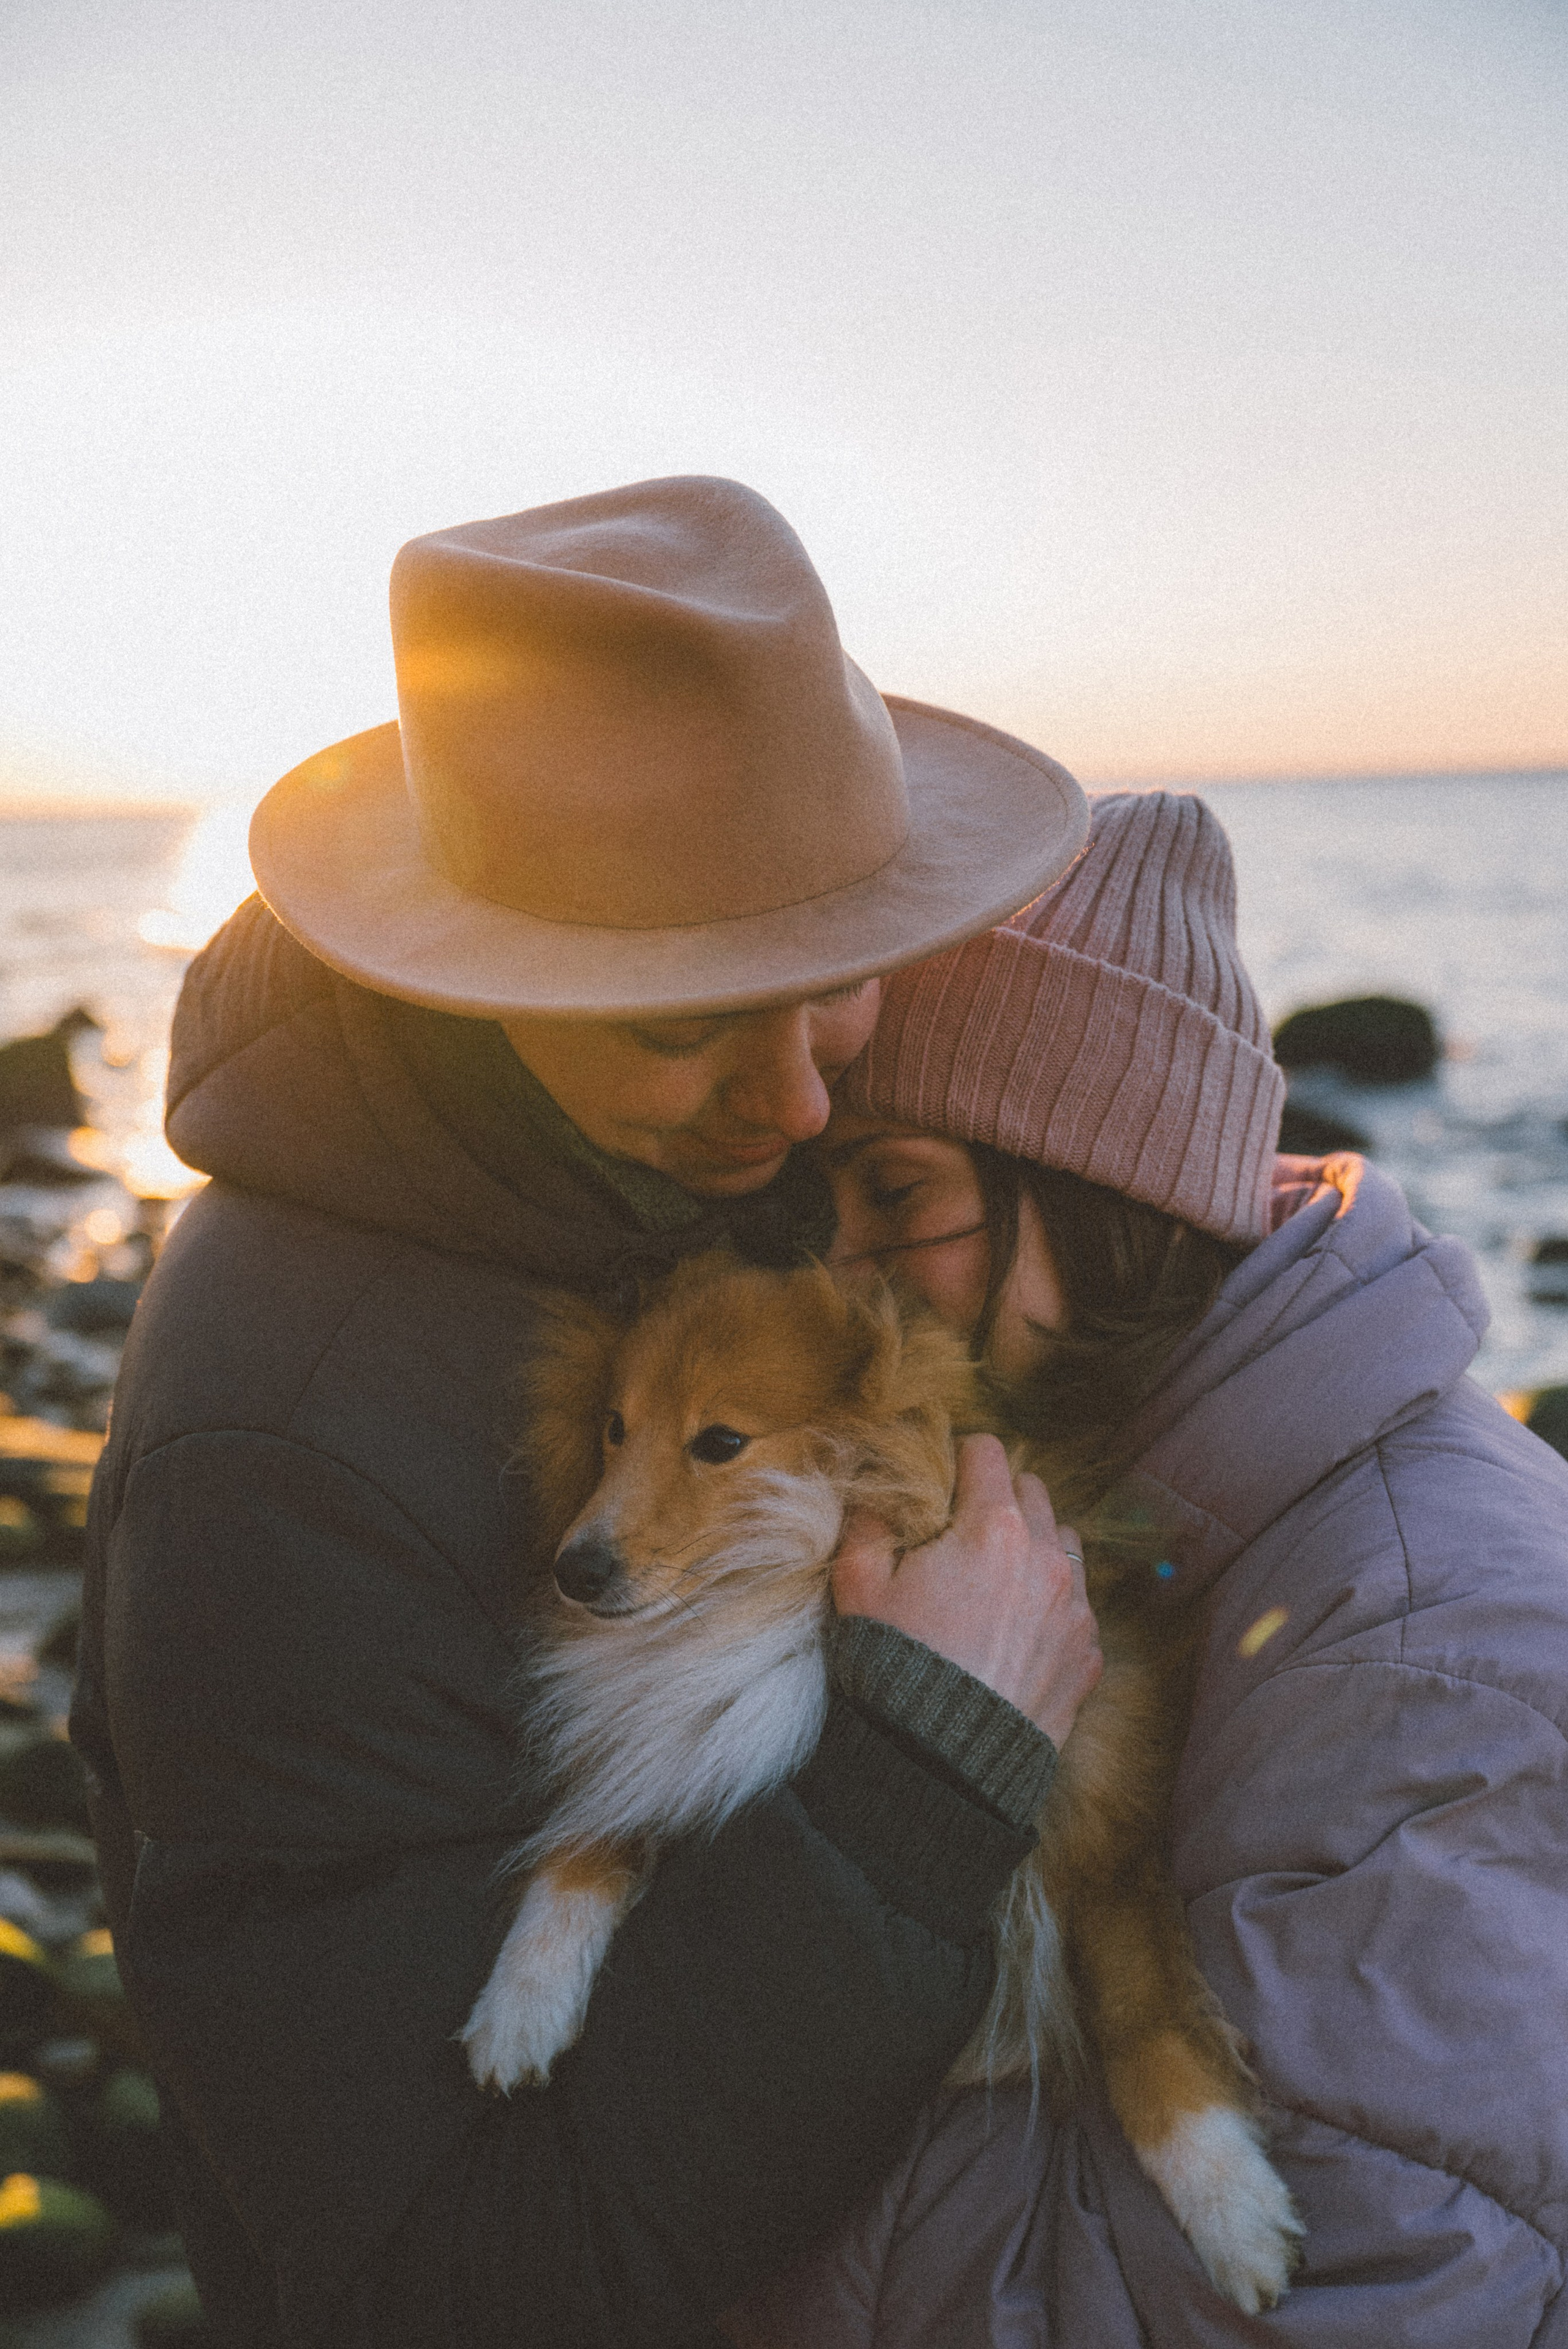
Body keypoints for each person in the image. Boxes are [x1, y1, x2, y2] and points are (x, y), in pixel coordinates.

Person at [69, 475, 1106, 2347]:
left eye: (835, 980)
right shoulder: (279, 1449)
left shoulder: (692, 1195)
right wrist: (923, 1781)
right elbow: (447, 2270)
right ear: (475, 985)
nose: (797, 1104)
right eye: (682, 1018)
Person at [729, 789, 1568, 2348]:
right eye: (816, 1204)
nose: (835, 1282)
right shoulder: (1107, 1485)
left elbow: (1354, 2309)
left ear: (1117, 1184)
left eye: (896, 1196)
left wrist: (716, 2138)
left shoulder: (1420, 1648)